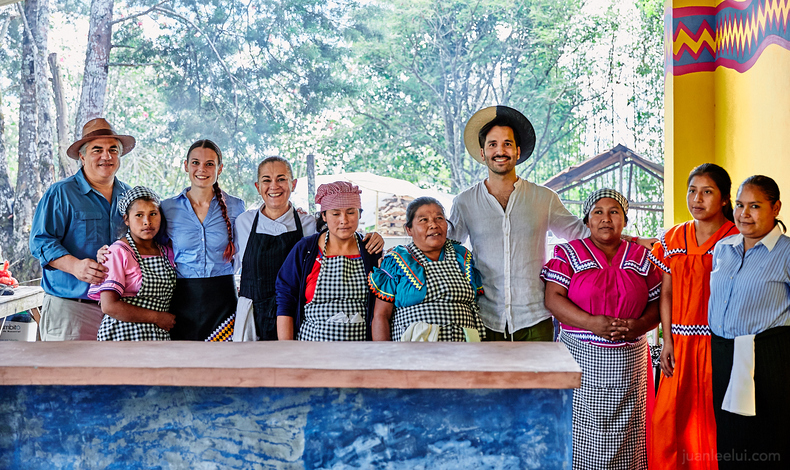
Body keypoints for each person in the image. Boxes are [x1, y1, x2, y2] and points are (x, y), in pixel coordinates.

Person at [449, 106, 653, 342]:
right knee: (488, 380)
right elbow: (445, 248)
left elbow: (583, 233)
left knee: (540, 380)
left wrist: (635, 241)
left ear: (517, 151)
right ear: (482, 153)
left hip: (535, 318)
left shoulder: (543, 198)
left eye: (507, 144)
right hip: (484, 318)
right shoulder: (465, 202)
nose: (500, 151)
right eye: (492, 144)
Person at [542, 188, 661, 470]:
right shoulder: (567, 253)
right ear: (587, 220)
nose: (606, 219)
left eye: (614, 212)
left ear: (625, 220)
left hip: (629, 364)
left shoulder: (642, 257)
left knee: (628, 433)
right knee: (582, 432)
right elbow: (553, 298)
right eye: (598, 212)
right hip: (580, 358)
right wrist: (592, 323)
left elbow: (657, 302)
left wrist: (639, 326)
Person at [233, 157, 385, 341]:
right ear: (258, 186)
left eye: (281, 179)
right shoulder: (243, 222)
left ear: (293, 184)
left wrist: (374, 237)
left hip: (296, 315)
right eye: (267, 180)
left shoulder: (308, 224)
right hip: (254, 315)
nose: (343, 219)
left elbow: (340, 234)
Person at [649, 164, 737, 469]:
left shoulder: (737, 238)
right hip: (681, 345)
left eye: (707, 192)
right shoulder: (673, 239)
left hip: (722, 346)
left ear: (725, 199)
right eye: (692, 190)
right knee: (670, 419)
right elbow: (667, 294)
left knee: (713, 420)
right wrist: (667, 341)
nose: (697, 199)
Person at [708, 175, 790, 469]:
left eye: (755, 206)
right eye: (740, 205)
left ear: (776, 207)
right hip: (723, 353)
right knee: (730, 440)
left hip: (769, 358)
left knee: (769, 440)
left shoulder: (786, 252)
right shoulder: (723, 249)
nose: (744, 214)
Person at [29, 118, 134, 340]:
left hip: (121, 312)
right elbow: (40, 241)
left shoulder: (130, 197)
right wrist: (75, 266)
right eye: (98, 150)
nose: (106, 156)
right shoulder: (60, 193)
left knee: (118, 375)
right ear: (82, 156)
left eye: (112, 149)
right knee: (67, 375)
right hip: (71, 311)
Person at [160, 139, 245, 341]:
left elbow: (253, 239)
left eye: (209, 164)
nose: (202, 169)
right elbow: (149, 245)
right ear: (186, 166)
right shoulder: (167, 208)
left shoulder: (236, 206)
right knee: (185, 364)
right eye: (196, 162)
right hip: (183, 298)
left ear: (220, 168)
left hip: (223, 296)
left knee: (222, 364)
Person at [369, 197, 485, 342]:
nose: (433, 225)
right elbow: (381, 316)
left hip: (464, 350)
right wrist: (383, 357)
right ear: (409, 229)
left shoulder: (463, 257)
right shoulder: (396, 260)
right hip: (414, 351)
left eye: (439, 218)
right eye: (423, 220)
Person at [276, 181, 382, 341]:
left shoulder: (371, 250)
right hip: (312, 349)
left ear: (360, 214)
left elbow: (381, 306)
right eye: (335, 213)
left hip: (361, 352)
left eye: (351, 212)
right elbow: (286, 299)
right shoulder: (306, 249)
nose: (344, 220)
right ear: (324, 216)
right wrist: (288, 350)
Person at [88, 187, 176, 340]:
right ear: (126, 220)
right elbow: (109, 306)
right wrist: (157, 317)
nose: (147, 222)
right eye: (139, 215)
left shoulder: (167, 251)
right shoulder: (117, 252)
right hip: (122, 334)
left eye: (153, 214)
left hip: (157, 335)